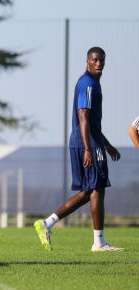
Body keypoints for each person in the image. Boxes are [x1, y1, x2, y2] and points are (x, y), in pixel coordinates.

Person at [34, 47, 123, 252]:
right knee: (97, 188)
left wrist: (107, 145)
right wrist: (88, 148)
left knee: (89, 191)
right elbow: (83, 116)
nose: (98, 64)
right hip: (87, 144)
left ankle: (47, 223)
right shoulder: (87, 84)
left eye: (101, 60)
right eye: (95, 60)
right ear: (87, 61)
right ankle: (98, 242)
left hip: (87, 141)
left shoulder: (91, 83)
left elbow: (91, 122)